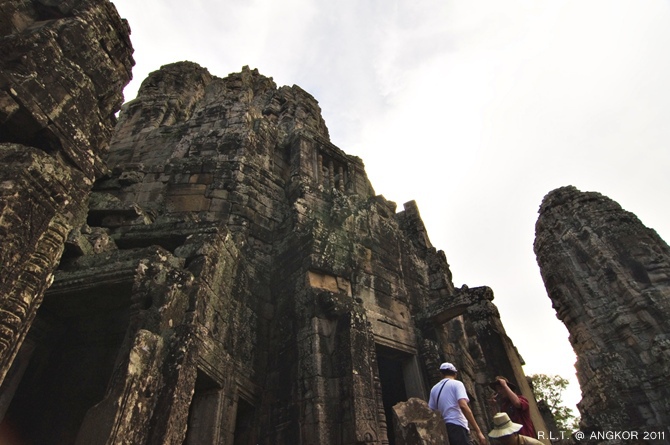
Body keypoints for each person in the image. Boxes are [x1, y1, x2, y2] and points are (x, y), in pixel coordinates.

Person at [428, 362, 486, 445]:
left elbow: (431, 410)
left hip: (443, 428)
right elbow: (463, 405)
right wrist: (478, 431)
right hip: (457, 425)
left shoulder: (434, 389)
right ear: (455, 374)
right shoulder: (457, 384)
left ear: (441, 374)